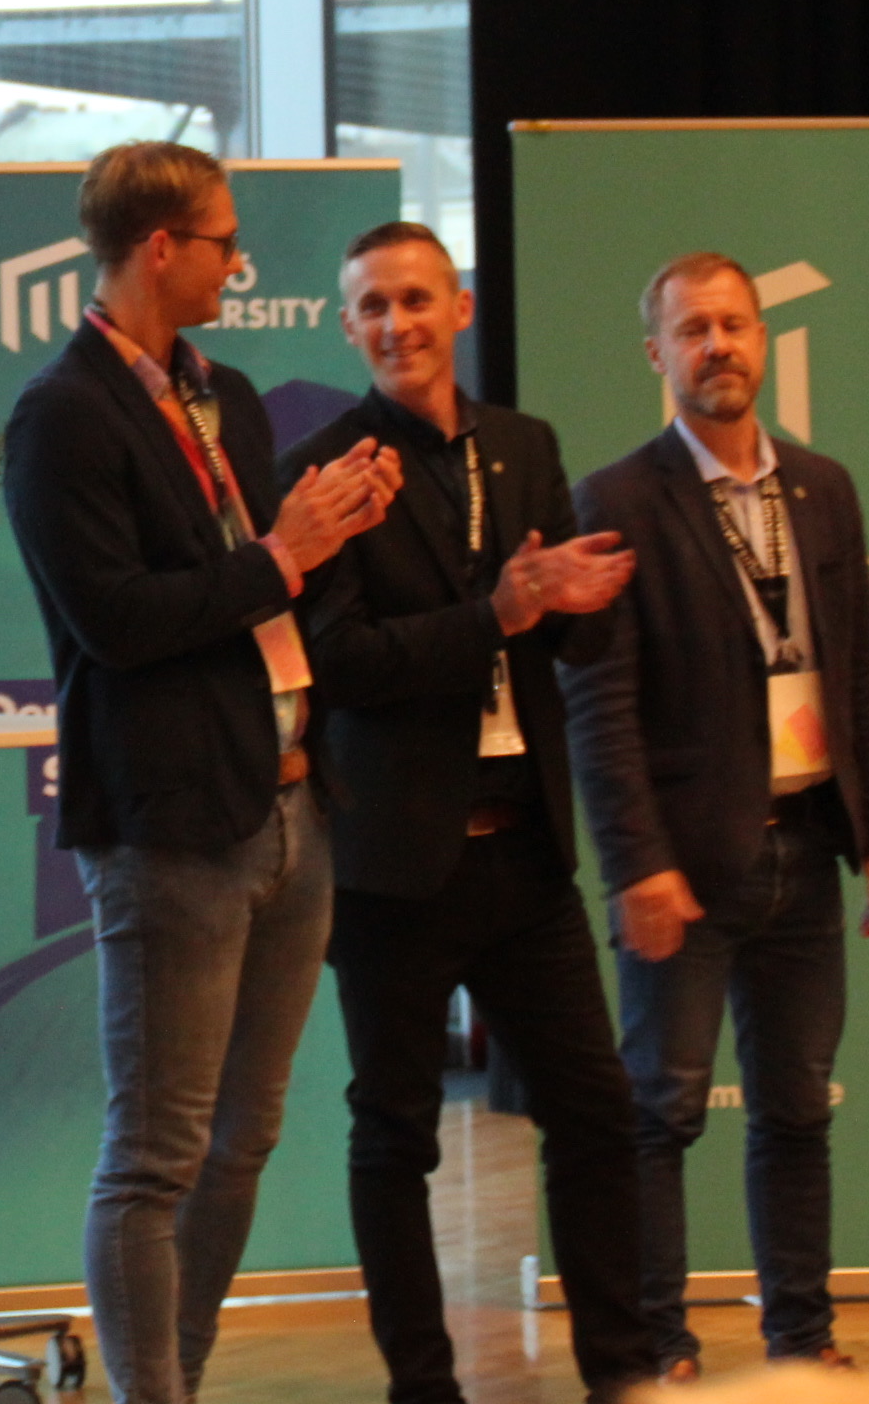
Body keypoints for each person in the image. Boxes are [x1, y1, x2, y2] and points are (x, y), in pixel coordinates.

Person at [2, 142, 399, 1404]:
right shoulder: (62, 414)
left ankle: (179, 1372)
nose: (240, 262)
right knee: (156, 1155)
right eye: (224, 241)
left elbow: (259, 586)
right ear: (161, 248)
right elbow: (118, 621)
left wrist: (334, 527)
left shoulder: (222, 391)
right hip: (172, 822)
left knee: (244, 1140)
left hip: (288, 798)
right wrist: (284, 553)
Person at [278, 218, 657, 1404]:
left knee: (597, 1115)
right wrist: (499, 612)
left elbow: (568, 639)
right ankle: (424, 1387)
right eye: (373, 306)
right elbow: (341, 665)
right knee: (396, 1134)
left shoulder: (525, 446)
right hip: (394, 863)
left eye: (416, 299)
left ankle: (623, 1376)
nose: (398, 324)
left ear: (461, 309)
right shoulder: (326, 470)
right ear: (348, 327)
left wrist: (579, 601)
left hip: (527, 853)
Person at [562, 252, 869, 1383]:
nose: (718, 345)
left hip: (808, 845)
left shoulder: (825, 487)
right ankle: (658, 1347)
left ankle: (800, 1338)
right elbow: (598, 707)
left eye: (734, 324)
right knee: (661, 1112)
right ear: (656, 355)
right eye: (692, 330)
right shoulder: (617, 501)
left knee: (798, 1110)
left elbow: (855, 677)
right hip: (686, 868)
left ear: (762, 339)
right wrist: (636, 865)